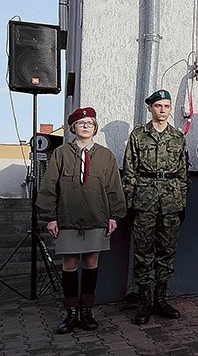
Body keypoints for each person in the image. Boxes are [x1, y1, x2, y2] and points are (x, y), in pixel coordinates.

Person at [37, 107, 126, 334]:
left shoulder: (105, 156)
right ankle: (70, 313)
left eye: (90, 123)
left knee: (91, 262)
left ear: (94, 128)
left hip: (96, 218)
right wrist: (50, 218)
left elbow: (114, 188)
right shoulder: (61, 154)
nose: (85, 126)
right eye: (81, 123)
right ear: (73, 127)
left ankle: (87, 311)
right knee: (69, 264)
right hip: (68, 218)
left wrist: (114, 215)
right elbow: (49, 186)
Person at [122, 89, 189, 325]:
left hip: (171, 201)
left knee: (167, 251)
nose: (163, 110)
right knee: (143, 252)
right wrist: (129, 203)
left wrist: (182, 202)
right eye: (158, 106)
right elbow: (129, 171)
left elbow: (182, 173)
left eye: (167, 106)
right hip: (144, 199)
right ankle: (144, 301)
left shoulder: (178, 137)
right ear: (150, 108)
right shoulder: (138, 136)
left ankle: (161, 299)